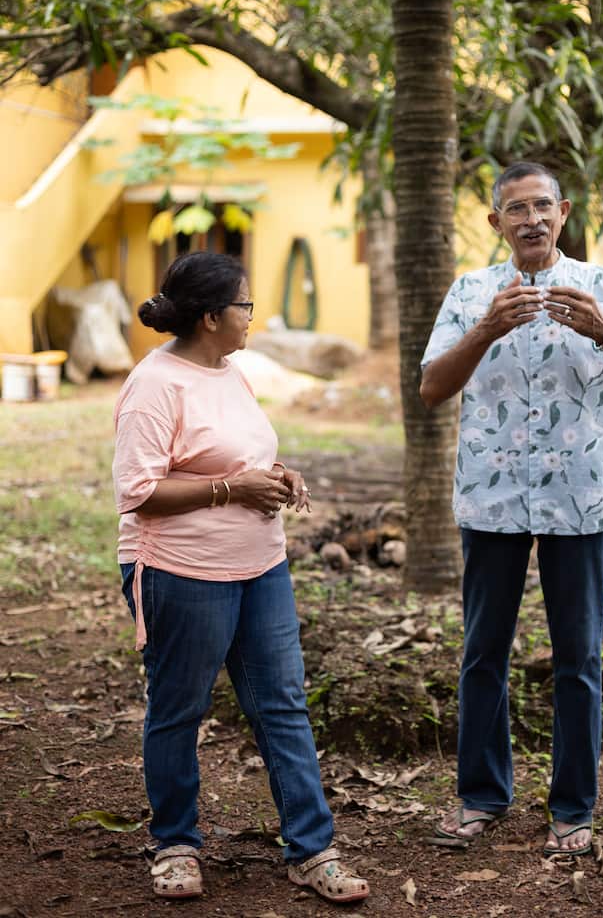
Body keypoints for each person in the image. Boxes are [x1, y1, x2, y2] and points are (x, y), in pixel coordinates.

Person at [420, 162, 603, 856]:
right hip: (492, 499)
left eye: (542, 206)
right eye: (516, 209)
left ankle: (573, 808)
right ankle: (481, 796)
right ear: (496, 221)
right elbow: (431, 388)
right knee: (483, 653)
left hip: (579, 501)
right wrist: (484, 330)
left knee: (579, 658)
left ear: (563, 213)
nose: (531, 219)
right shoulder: (470, 292)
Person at [112, 251, 369, 904]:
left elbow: (236, 455)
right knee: (180, 708)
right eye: (244, 305)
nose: (252, 316)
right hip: (181, 572)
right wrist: (231, 489)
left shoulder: (231, 372)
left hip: (261, 567)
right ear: (209, 317)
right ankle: (175, 844)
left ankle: (311, 849)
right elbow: (138, 492)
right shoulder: (154, 385)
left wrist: (277, 475)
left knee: (281, 704)